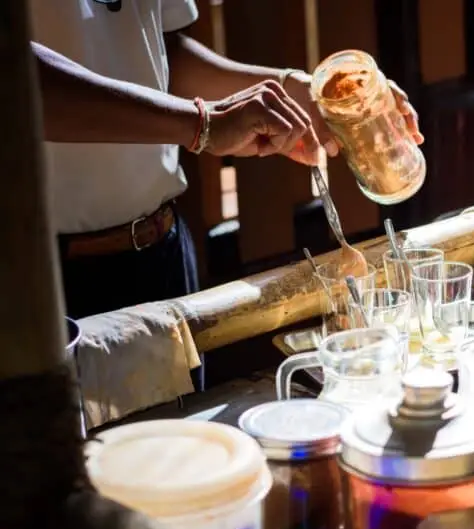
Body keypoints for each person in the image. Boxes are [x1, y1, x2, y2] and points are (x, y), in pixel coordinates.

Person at [30, 0, 423, 325]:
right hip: (40, 280)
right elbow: (17, 78)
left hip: (160, 252)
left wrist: (293, 89)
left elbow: (160, 53)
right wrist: (202, 124)